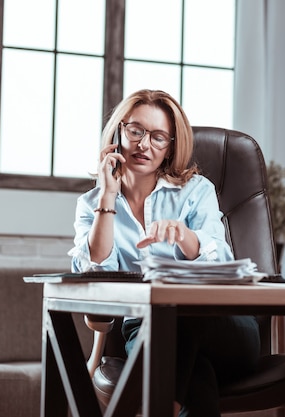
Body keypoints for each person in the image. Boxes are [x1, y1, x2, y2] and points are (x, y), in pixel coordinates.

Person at [69, 89, 260, 417]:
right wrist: (107, 198)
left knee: (178, 315)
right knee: (197, 378)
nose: (144, 145)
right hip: (145, 330)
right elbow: (93, 274)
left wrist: (185, 238)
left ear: (171, 146)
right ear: (118, 132)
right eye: (136, 131)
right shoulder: (92, 204)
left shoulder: (196, 191)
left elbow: (223, 261)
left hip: (223, 328)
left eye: (158, 137)